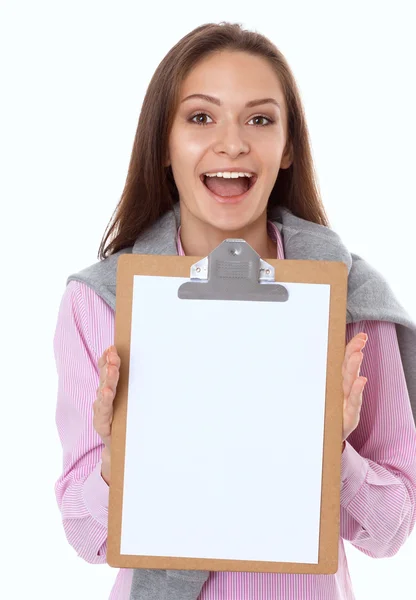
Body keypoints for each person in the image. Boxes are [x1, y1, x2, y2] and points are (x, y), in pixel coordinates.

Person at [53, 22, 416, 600]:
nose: (232, 143)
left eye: (260, 119)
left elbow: (393, 530)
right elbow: (84, 534)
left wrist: (331, 449)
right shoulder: (99, 303)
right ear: (164, 145)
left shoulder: (347, 302)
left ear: (288, 146)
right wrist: (121, 459)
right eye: (200, 118)